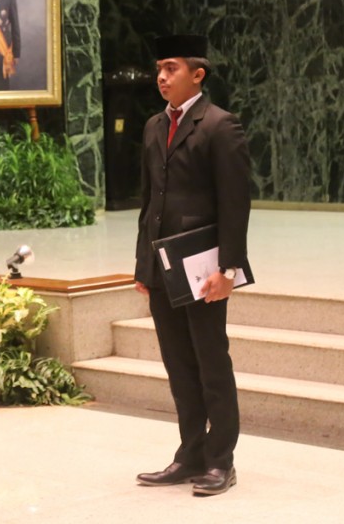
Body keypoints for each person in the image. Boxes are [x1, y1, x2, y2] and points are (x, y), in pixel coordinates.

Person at [133, 34, 251, 496]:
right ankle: (189, 454)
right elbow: (148, 202)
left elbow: (235, 203)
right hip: (163, 267)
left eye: (171, 68)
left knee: (210, 363)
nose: (161, 78)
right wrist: (144, 267)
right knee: (179, 365)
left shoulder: (220, 125)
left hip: (203, 268)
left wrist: (229, 268)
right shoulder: (152, 126)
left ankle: (221, 460)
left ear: (197, 74)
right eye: (159, 69)